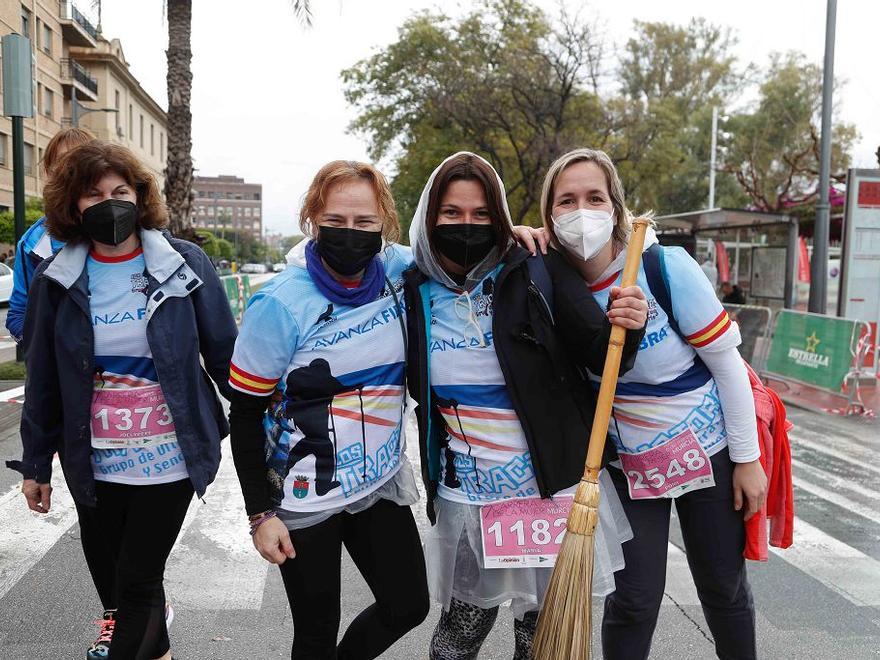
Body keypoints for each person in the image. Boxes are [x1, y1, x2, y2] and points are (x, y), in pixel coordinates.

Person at [403, 152, 648, 660]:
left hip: (549, 497)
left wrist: (631, 322)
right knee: (458, 636)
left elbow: (603, 354)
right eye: (451, 214)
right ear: (430, 217)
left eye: (481, 214)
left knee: (539, 641)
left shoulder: (537, 266)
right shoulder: (411, 287)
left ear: (499, 217)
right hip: (468, 498)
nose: (466, 226)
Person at [6, 141, 237, 660]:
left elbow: (225, 355)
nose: (109, 203)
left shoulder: (183, 263)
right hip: (93, 459)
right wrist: (36, 464)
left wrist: (265, 421)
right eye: (93, 195)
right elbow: (43, 377)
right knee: (124, 584)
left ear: (139, 195)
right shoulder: (57, 279)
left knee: (136, 579)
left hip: (169, 456)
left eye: (120, 191)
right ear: (72, 206)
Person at [539, 147, 767, 660]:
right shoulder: (546, 283)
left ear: (616, 206)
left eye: (595, 197)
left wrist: (747, 460)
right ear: (548, 215)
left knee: (723, 589)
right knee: (634, 600)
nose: (582, 211)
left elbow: (728, 367)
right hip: (626, 465)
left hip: (708, 451)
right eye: (566, 200)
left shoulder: (665, 268)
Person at [228, 160, 431, 659]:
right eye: (335, 221)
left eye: (364, 223)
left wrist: (517, 234)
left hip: (377, 482)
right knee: (316, 630)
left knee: (408, 605)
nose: (350, 234)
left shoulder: (398, 270)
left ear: (384, 223)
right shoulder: (278, 303)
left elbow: (455, 253)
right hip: (305, 494)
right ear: (312, 220)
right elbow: (245, 415)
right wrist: (260, 514)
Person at [5, 127, 93, 342]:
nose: (70, 171)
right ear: (49, 173)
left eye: (79, 161)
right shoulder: (33, 244)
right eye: (61, 163)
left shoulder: (124, 229)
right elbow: (18, 314)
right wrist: (48, 351)